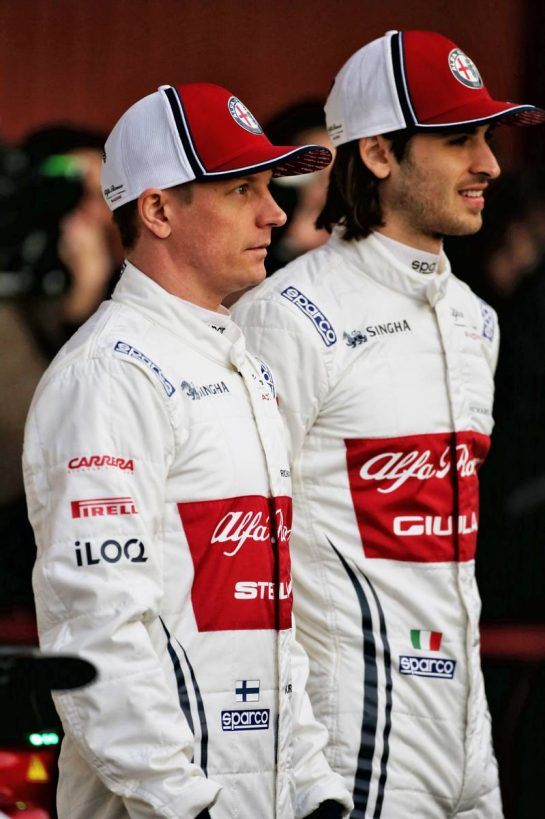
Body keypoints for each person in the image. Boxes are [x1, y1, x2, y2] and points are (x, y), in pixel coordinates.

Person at [232, 30, 545, 818]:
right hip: (352, 742)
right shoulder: (286, 316)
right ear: (375, 153)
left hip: (466, 735)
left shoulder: (475, 320)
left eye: (487, 138)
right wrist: (295, 758)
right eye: (458, 140)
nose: (489, 164)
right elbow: (236, 552)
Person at [22, 82, 353, 819]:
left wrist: (313, 787)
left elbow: (266, 614)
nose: (275, 212)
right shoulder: (109, 375)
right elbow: (98, 627)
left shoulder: (240, 365)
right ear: (158, 211)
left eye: (269, 187)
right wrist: (183, 804)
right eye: (241, 190)